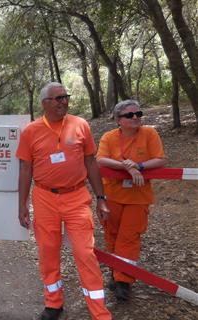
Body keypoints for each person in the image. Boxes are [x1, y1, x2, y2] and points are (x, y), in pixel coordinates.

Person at [16, 82, 112, 320]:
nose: (64, 102)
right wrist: (22, 205)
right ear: (45, 103)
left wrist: (101, 198)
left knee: (85, 253)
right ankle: (53, 304)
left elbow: (91, 161)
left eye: (65, 97)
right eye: (58, 98)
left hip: (77, 197)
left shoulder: (80, 125)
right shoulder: (31, 131)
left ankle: (99, 313)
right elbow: (26, 170)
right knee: (48, 252)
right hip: (44, 198)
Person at [96, 99, 166, 300]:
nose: (136, 117)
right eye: (130, 115)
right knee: (113, 234)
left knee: (129, 237)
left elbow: (160, 159)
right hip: (113, 196)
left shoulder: (149, 133)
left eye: (138, 113)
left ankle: (123, 282)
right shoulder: (109, 137)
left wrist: (139, 166)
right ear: (119, 120)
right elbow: (101, 159)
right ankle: (115, 272)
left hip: (138, 196)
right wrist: (126, 165)